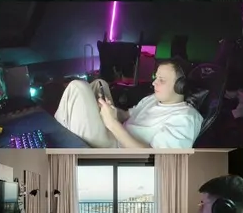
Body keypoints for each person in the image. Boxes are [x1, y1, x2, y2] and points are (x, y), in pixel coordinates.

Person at [54, 60, 202, 148]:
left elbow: (157, 160)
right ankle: (66, 125)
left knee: (77, 87)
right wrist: (110, 111)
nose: (154, 83)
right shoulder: (153, 99)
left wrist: (112, 123)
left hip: (117, 149)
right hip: (114, 132)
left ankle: (55, 140)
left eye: (161, 80)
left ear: (180, 86)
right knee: (100, 84)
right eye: (155, 77)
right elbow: (126, 115)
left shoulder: (185, 118)